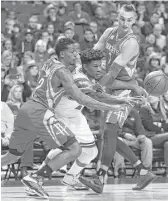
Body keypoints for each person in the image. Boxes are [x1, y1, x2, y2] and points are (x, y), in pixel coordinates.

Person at [1, 38, 123, 198]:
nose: (75, 54)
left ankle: (42, 179)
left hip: (27, 110)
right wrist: (113, 106)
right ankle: (36, 178)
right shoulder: (63, 72)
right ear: (63, 53)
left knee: (13, 155)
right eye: (72, 51)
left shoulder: (49, 62)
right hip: (40, 111)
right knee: (75, 149)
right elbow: (82, 98)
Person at [25, 48, 137, 196]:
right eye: (96, 66)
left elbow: (101, 91)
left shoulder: (88, 73)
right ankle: (36, 178)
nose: (99, 69)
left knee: (91, 151)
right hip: (60, 115)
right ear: (85, 67)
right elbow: (96, 99)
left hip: (75, 115)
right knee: (69, 149)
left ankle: (70, 178)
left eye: (100, 65)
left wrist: (124, 98)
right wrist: (116, 104)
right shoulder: (80, 79)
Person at [78, 4, 156, 194]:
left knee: (110, 131)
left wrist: (97, 85)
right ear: (117, 17)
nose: (125, 23)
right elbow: (94, 53)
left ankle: (100, 178)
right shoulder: (109, 32)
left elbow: (113, 73)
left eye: (129, 20)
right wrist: (81, 67)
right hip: (111, 87)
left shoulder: (131, 43)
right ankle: (142, 170)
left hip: (122, 90)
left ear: (134, 21)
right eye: (122, 18)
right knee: (108, 134)